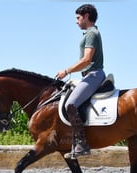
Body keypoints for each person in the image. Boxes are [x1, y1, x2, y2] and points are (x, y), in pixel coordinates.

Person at [57, 4, 105, 158]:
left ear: (86, 16)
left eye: (78, 18)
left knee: (71, 104)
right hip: (88, 75)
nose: (76, 21)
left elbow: (86, 59)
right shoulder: (89, 33)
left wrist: (66, 71)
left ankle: (82, 144)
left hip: (94, 74)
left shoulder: (91, 33)